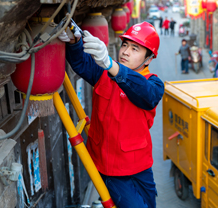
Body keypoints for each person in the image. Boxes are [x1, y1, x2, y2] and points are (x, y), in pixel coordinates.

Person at [58, 21, 164, 208]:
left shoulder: (154, 84)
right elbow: (81, 64)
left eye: (135, 48)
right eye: (125, 45)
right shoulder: (103, 73)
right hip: (110, 167)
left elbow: (144, 93)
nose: (125, 52)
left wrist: (110, 64)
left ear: (148, 59)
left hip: (141, 165)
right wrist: (75, 43)